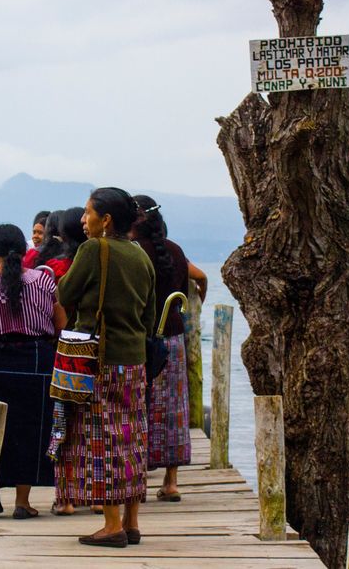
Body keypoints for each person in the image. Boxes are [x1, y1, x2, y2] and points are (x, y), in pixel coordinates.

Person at [53, 188, 156, 548]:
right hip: (135, 360)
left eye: (88, 212)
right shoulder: (141, 255)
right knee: (132, 436)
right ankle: (131, 521)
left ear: (106, 220)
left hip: (99, 358)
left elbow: (64, 295)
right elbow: (150, 314)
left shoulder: (94, 249)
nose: (84, 219)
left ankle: (111, 526)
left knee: (103, 436)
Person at [0, 224, 66, 519]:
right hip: (35, 362)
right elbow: (60, 324)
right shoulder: (43, 281)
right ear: (25, 250)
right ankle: (23, 501)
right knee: (30, 430)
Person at [130, 194, 198, 501]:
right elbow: (184, 296)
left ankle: (138, 479)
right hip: (173, 338)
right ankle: (171, 481)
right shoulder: (176, 251)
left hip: (140, 339)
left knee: (137, 408)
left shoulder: (131, 254)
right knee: (172, 408)